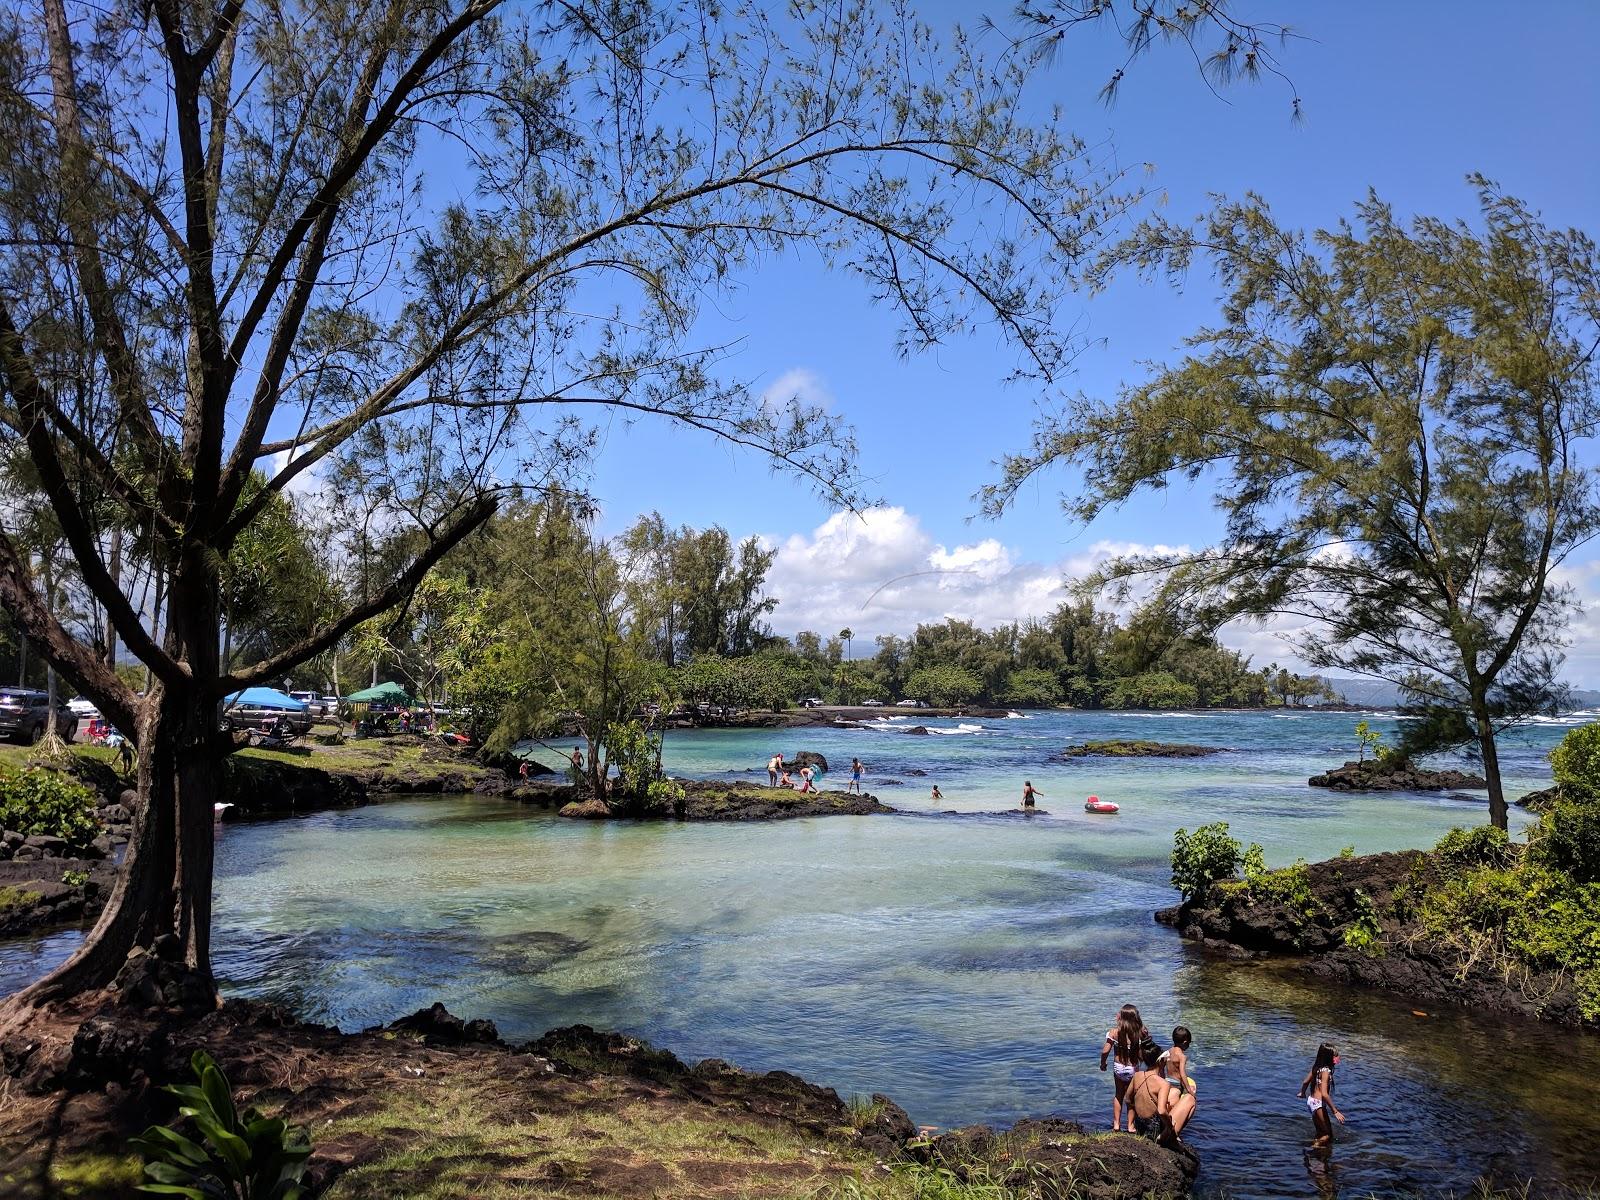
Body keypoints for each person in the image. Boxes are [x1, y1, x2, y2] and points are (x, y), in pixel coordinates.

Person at [1099, 1003, 1147, 1131]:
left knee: (1118, 1095)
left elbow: (1105, 1051)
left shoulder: (1114, 1032)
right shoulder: (1140, 1032)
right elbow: (1147, 1048)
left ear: (1122, 1017)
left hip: (1118, 1067)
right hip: (1133, 1068)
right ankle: (1130, 1126)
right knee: (1131, 1097)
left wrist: (1103, 1064)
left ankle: (1116, 1124)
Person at [1298, 1043, 1344, 1148]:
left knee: (1320, 1132)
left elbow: (1305, 1082)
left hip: (1311, 1101)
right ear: (1328, 1057)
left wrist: (1302, 1093)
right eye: (1335, 1056)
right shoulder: (1326, 1071)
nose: (1337, 1059)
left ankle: (1317, 1156)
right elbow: (1324, 1094)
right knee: (1328, 1135)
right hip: (1318, 1104)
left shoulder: (1317, 1067)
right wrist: (1335, 1111)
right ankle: (1314, 1147)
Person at [1157, 1027, 1197, 1143]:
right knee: (1183, 1105)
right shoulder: (1182, 1056)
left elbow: (1161, 1066)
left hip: (1167, 1083)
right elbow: (1183, 1074)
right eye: (1189, 1043)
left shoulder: (1168, 1051)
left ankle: (1167, 1128)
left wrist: (1162, 1079)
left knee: (1170, 1107)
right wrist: (1189, 1090)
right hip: (1177, 1085)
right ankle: (1175, 1133)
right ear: (1185, 1042)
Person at [1124, 1057, 1171, 1141]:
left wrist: (1131, 1123)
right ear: (1160, 1061)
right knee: (1189, 1100)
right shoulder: (1163, 1083)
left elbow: (1127, 1100)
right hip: (1155, 1128)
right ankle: (1166, 1137)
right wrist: (1170, 1125)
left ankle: (1131, 1126)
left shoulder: (1137, 1075)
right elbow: (1161, 1111)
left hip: (1139, 1125)